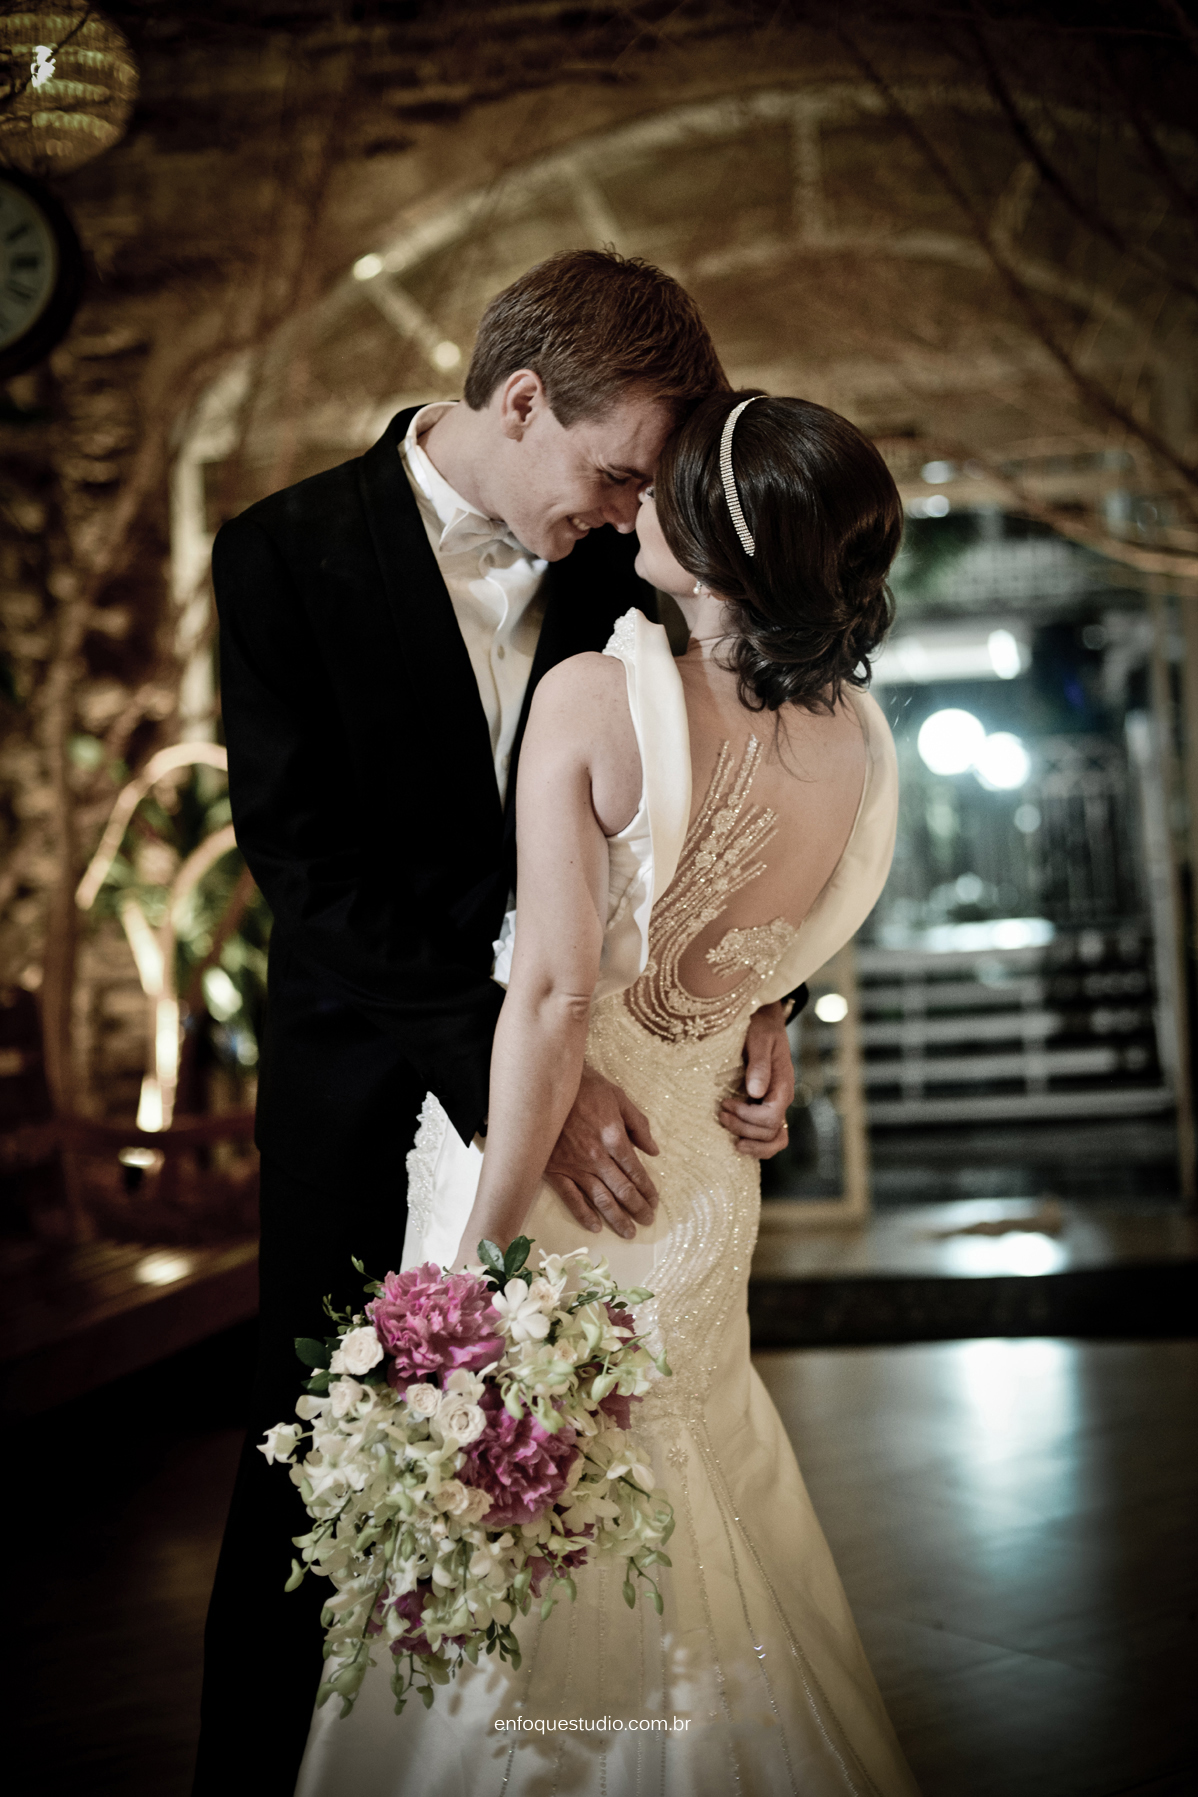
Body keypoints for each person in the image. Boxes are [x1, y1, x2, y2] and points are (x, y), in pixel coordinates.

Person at [194, 256, 803, 1796]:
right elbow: (304, 871)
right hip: (361, 1095)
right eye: (611, 474)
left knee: (574, 1484)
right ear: (521, 402)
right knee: (316, 1466)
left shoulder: (629, 562)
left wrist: (760, 997)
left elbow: (718, 786)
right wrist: (515, 1058)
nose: (623, 514)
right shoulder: (278, 555)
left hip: (602, 1098)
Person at [293, 391, 920, 1795]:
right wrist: (766, 1021)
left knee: (528, 1529)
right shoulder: (864, 746)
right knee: (690, 1478)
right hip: (701, 1174)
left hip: (560, 1171)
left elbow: (556, 999)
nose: (635, 502)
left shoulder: (596, 695)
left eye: (665, 488)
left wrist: (471, 1266)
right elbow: (777, 944)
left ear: (710, 536)